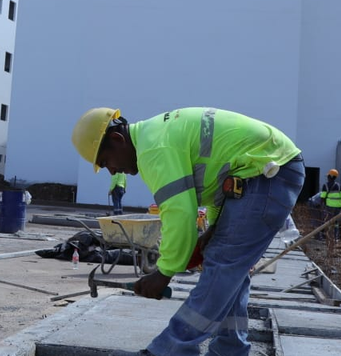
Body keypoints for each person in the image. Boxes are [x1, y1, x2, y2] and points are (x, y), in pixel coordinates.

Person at [72, 106, 303, 356]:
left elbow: (180, 213)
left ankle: (170, 350)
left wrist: (164, 272)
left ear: (117, 140)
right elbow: (220, 183)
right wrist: (214, 227)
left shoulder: (154, 149)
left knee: (223, 263)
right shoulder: (156, 134)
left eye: (106, 162)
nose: (112, 171)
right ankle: (230, 349)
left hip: (268, 172)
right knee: (228, 268)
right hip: (262, 171)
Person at [318, 169, 341, 240]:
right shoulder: (339, 186)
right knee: (336, 223)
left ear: (330, 176)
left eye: (328, 176)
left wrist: (322, 206)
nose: (327, 177)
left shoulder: (325, 186)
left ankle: (327, 237)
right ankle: (335, 237)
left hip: (329, 207)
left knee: (328, 222)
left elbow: (322, 197)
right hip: (338, 207)